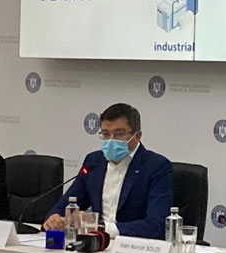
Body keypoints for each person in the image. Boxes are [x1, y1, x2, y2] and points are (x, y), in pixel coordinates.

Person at [43, 103, 172, 240]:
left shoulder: (156, 166)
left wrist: (101, 227)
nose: (111, 140)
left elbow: (157, 225)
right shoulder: (94, 161)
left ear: (137, 136)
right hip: (96, 243)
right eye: (105, 134)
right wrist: (55, 218)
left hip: (133, 245)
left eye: (119, 134)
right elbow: (66, 205)